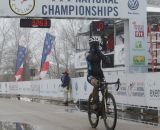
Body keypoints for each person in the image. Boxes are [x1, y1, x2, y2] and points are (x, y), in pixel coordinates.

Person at [86, 36, 111, 109]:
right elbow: (90, 59)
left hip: (100, 75)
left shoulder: (99, 53)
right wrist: (93, 52)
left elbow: (106, 62)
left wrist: (99, 53)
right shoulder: (88, 55)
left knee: (105, 88)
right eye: (93, 45)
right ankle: (94, 103)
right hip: (91, 76)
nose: (95, 46)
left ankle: (104, 106)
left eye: (96, 44)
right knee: (96, 84)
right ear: (90, 45)